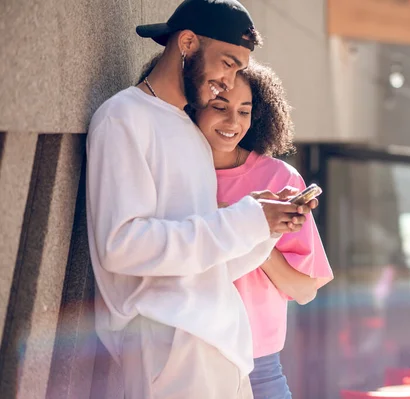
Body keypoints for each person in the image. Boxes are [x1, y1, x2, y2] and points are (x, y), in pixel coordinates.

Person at [86, 1, 317, 398]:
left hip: (219, 343)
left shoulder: (188, 131)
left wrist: (263, 225)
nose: (229, 81)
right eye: (227, 63)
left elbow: (201, 261)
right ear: (188, 43)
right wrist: (243, 219)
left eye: (237, 69)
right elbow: (120, 247)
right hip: (169, 341)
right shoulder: (123, 117)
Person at [195, 59, 334, 398]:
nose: (233, 122)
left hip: (259, 367)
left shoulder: (278, 178)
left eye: (244, 111)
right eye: (220, 106)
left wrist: (258, 231)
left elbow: (305, 290)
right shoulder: (173, 169)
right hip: (188, 359)